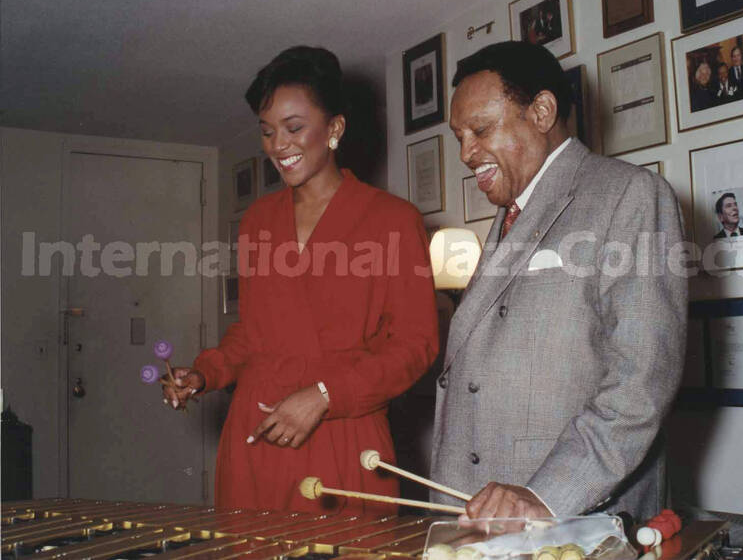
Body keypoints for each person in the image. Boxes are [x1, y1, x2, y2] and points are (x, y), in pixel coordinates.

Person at [163, 46, 439, 512]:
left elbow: (417, 345)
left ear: (335, 129)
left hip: (344, 432)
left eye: (294, 128)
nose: (278, 146)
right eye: (268, 132)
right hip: (257, 436)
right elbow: (252, 335)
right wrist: (205, 372)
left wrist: (327, 396)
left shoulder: (393, 220)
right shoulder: (257, 220)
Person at [430, 41, 687, 522]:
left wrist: (547, 496)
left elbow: (641, 382)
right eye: (459, 136)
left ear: (543, 111)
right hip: (478, 509)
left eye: (480, 130)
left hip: (567, 512)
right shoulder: (511, 213)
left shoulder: (629, 192)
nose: (466, 153)